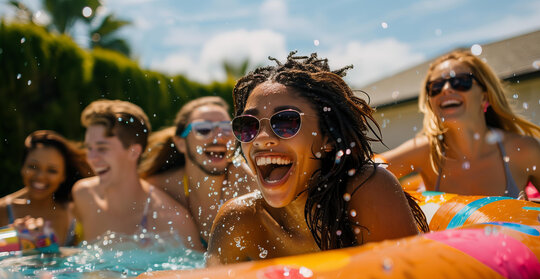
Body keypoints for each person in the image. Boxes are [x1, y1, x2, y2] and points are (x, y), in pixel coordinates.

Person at [207, 53, 429, 265]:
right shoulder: (238, 220)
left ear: (327, 138)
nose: (261, 139)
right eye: (248, 126)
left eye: (285, 122)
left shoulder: (368, 191)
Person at [380, 49, 540, 197]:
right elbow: (362, 173)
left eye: (461, 81)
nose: (446, 89)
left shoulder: (524, 151)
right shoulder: (426, 152)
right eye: (436, 86)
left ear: (484, 96)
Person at [71, 99, 201, 250]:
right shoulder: (84, 196)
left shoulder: (171, 220)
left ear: (134, 152)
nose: (91, 158)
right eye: (89, 148)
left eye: (102, 148)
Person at [139, 96, 256, 249]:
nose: (218, 137)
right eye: (203, 129)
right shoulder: (163, 187)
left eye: (227, 128)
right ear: (181, 143)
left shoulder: (246, 184)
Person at [0, 130, 93, 246]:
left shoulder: (75, 212)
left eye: (52, 170)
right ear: (22, 167)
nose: (40, 177)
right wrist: (10, 238)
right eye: (33, 166)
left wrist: (46, 243)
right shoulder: (2, 210)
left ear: (63, 176)